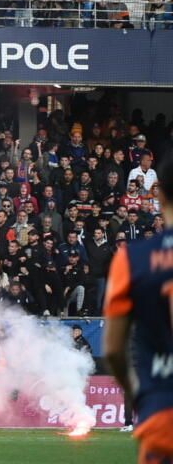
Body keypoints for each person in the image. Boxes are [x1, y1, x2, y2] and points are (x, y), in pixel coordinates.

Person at [104, 156, 173, 461]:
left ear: (159, 196)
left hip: (162, 415)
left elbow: (113, 351)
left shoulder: (132, 258)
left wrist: (136, 393)